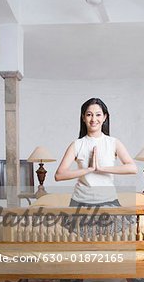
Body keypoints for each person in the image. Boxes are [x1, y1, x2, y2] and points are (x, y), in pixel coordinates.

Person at [54, 98, 137, 235]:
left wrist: (101, 168)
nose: (93, 119)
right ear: (83, 118)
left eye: (98, 114)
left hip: (108, 201)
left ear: (104, 117)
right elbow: (59, 175)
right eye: (89, 114)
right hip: (81, 202)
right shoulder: (77, 144)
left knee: (109, 240)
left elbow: (132, 168)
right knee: (84, 241)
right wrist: (88, 169)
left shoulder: (113, 143)